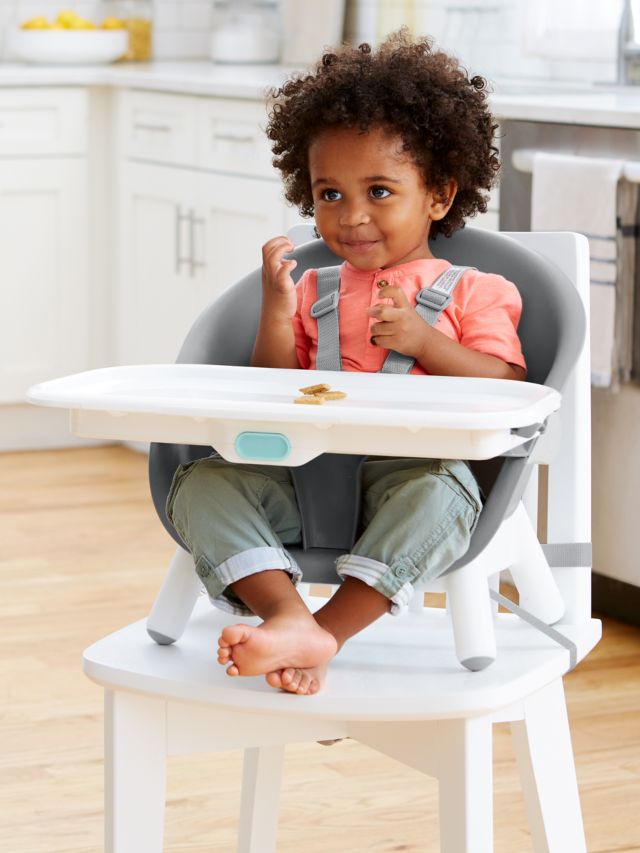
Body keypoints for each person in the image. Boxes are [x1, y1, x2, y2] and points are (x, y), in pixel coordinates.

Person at [166, 31, 526, 695]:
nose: (352, 217)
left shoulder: (477, 290)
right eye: (329, 194)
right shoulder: (314, 290)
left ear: (440, 195)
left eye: (380, 191)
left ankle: (326, 630)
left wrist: (424, 342)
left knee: (444, 497)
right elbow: (273, 392)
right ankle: (286, 614)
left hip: (409, 479)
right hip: (302, 480)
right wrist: (277, 312)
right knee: (199, 483)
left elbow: (510, 389)